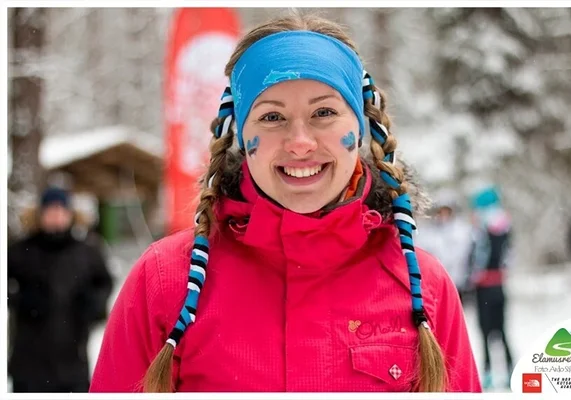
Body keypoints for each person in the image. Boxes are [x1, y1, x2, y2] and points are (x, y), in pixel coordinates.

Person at [90, 14, 481, 393]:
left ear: (360, 127)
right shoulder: (164, 282)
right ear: (242, 134)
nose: (300, 143)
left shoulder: (422, 286)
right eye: (272, 117)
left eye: (324, 112)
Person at [8, 187, 114, 393]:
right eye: (50, 210)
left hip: (73, 363)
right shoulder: (21, 251)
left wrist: (94, 304)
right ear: (41, 214)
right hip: (28, 364)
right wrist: (20, 299)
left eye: (61, 210)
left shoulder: (87, 252)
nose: (56, 216)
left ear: (69, 214)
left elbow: (105, 283)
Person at [468, 186, 514, 390]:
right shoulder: (505, 228)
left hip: (484, 288)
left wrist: (473, 276)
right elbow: (509, 258)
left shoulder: (480, 231)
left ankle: (488, 373)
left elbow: (477, 260)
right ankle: (510, 369)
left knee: (485, 333)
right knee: (502, 331)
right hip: (499, 285)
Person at [416, 190, 473, 303]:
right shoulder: (427, 232)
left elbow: (463, 254)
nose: (443, 215)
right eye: (440, 211)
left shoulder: (461, 230)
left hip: (456, 280)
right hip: (433, 281)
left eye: (446, 211)